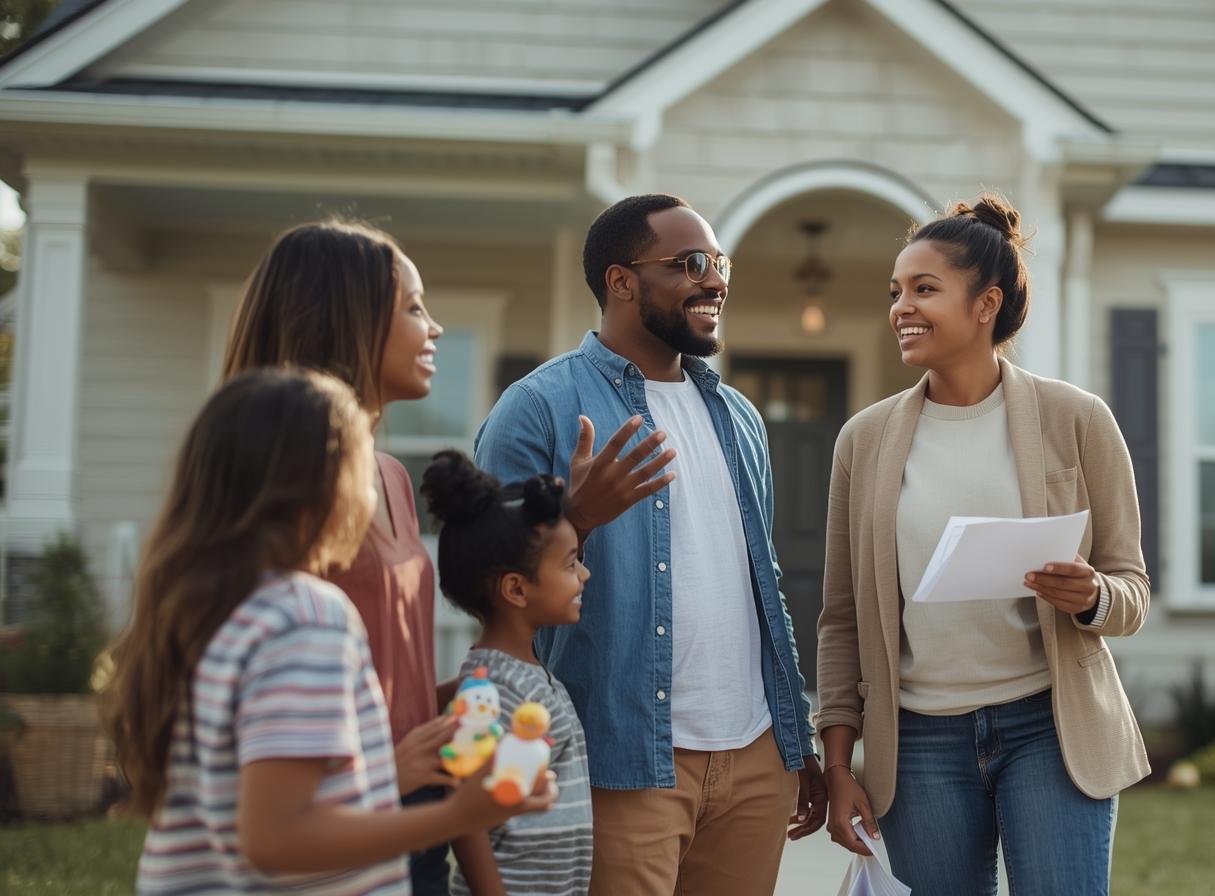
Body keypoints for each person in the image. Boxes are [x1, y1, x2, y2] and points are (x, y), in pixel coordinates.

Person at [475, 194, 826, 894]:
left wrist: (796, 740)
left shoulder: (740, 417)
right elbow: (489, 584)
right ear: (622, 282)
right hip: (623, 757)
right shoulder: (539, 407)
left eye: (719, 264)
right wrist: (577, 518)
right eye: (691, 264)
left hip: (756, 756)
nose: (716, 281)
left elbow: (765, 585)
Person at [104, 369, 555, 895]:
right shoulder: (305, 617)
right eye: (363, 470)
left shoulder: (205, 609)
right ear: (320, 490)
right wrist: (461, 812)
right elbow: (276, 839)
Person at [815, 194, 1151, 896]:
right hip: (919, 745)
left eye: (924, 289)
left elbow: (1131, 590)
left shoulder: (1078, 420)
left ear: (985, 303)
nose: (901, 306)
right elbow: (841, 618)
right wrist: (839, 765)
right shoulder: (864, 441)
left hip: (1050, 730)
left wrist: (1091, 596)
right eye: (895, 292)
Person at [221, 219, 458, 893]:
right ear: (344, 323)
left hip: (417, 814)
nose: (433, 328)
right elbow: (256, 683)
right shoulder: (288, 487)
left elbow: (378, 666)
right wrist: (391, 765)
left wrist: (461, 695)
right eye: (413, 308)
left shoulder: (390, 477)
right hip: (329, 827)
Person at [417, 450, 594, 896]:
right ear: (516, 589)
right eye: (570, 564)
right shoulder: (493, 690)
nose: (585, 574)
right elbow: (466, 814)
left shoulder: (516, 674)